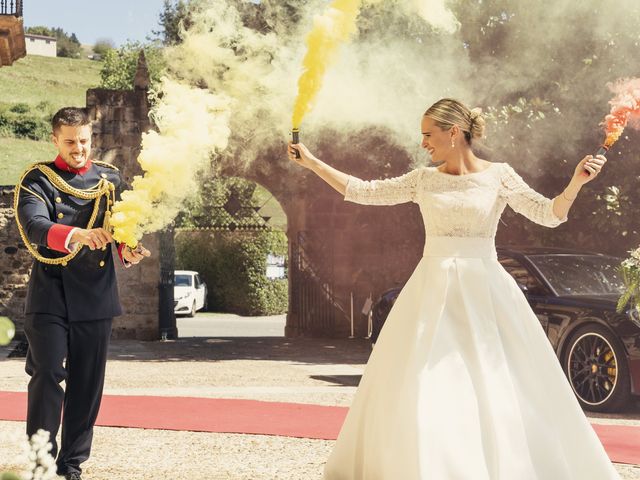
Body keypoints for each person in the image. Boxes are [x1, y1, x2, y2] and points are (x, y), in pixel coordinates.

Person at [287, 98, 620, 479]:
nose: (424, 143)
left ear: (453, 132)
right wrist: (311, 163)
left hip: (487, 293)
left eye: (428, 134)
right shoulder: (423, 179)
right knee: (427, 382)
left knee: (497, 384)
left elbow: (550, 214)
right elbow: (363, 190)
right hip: (432, 291)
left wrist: (577, 181)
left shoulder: (500, 176)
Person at [14, 107, 150, 480]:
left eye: (85, 141)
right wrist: (77, 235)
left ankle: (71, 466)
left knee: (87, 385)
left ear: (92, 138)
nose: (79, 149)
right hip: (50, 295)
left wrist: (129, 251)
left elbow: (121, 230)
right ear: (55, 139)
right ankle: (41, 462)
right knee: (46, 373)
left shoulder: (110, 179)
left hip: (95, 294)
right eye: (70, 141)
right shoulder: (37, 179)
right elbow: (36, 225)